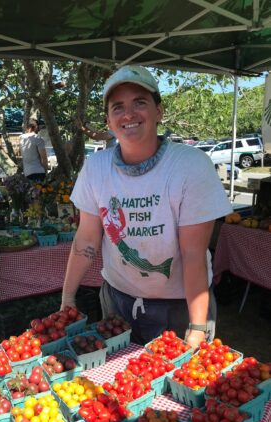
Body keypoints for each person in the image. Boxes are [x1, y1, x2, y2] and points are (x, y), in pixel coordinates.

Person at [61, 65, 232, 350]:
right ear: (108, 120)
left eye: (139, 103)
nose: (128, 114)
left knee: (180, 391)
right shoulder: (96, 168)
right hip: (117, 301)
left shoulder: (190, 166)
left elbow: (193, 253)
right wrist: (67, 298)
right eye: (118, 107)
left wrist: (198, 327)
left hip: (180, 307)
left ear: (159, 111)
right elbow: (87, 238)